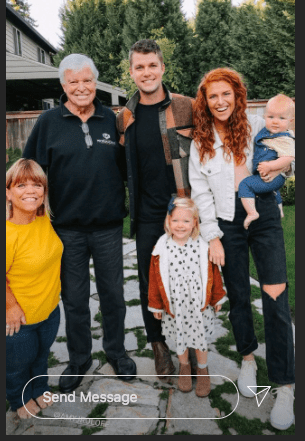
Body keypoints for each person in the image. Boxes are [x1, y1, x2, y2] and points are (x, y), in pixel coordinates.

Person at [189, 67, 295, 431]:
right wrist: (213, 236)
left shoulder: (255, 125)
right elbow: (199, 190)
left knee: (276, 297)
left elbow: (287, 152)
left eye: (226, 94)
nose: (220, 102)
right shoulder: (200, 140)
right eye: (212, 95)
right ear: (205, 100)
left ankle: (285, 386)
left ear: (237, 96)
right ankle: (248, 358)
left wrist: (287, 162)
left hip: (262, 213)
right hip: (225, 221)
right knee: (237, 294)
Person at [23, 53, 136, 391]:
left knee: (113, 295)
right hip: (66, 229)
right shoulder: (47, 122)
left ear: (95, 82)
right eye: (74, 82)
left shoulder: (111, 120)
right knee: (74, 298)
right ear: (64, 85)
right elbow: (30, 172)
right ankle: (79, 358)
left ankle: (116, 351)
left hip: (107, 226)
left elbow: (128, 167)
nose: (81, 87)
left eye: (87, 80)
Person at [117, 39, 194, 378]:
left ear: (163, 68)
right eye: (139, 67)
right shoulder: (124, 117)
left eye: (152, 65)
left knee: (188, 282)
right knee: (151, 283)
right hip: (147, 214)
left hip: (184, 209)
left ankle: (190, 349)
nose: (146, 72)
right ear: (131, 72)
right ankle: (158, 345)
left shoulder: (187, 107)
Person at [148, 197, 226, 396]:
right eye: (175, 221)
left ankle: (202, 369)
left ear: (195, 223)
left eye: (186, 221)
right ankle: (184, 367)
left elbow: (213, 275)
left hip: (198, 306)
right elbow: (154, 281)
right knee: (180, 339)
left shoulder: (201, 246)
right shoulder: (161, 248)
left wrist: (217, 297)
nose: (180, 226)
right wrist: (156, 305)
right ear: (168, 222)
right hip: (176, 306)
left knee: (200, 341)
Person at [6, 158, 63, 419]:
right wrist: (10, 307)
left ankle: (39, 388)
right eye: (21, 185)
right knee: (17, 365)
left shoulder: (42, 219)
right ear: (8, 192)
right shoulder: (7, 233)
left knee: (41, 357)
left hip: (50, 310)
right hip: (21, 319)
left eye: (37, 184)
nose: (31, 190)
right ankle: (19, 398)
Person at [239, 94, 295, 228]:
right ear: (265, 116)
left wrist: (271, 166)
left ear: (290, 121)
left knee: (245, 185)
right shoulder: (267, 131)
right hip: (270, 177)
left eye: (281, 118)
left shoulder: (284, 138)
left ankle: (252, 212)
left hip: (273, 175)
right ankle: (279, 209)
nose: (275, 121)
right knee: (273, 190)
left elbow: (289, 158)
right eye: (271, 117)